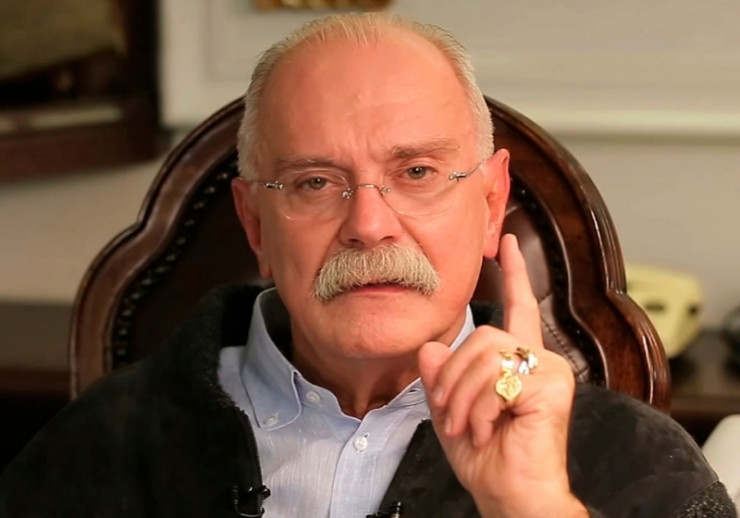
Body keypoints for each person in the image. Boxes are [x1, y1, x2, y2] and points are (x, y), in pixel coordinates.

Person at [0, 12, 735, 518]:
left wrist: (533, 505)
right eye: (316, 182)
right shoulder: (100, 449)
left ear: (490, 203)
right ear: (255, 223)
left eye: (416, 173)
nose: (369, 225)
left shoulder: (634, 460)